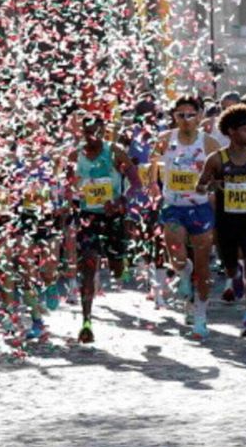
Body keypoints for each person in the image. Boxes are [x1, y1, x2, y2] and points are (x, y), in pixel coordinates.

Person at [201, 104, 246, 339]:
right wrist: (213, 185)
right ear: (231, 132)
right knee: (230, 266)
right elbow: (199, 186)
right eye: (244, 130)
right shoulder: (216, 159)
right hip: (225, 221)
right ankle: (234, 274)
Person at [151, 96, 218, 339]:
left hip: (200, 207)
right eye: (181, 115)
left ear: (200, 116)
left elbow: (219, 171)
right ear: (174, 116)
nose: (186, 120)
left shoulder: (208, 143)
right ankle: (183, 271)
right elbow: (153, 164)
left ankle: (200, 318)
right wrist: (152, 185)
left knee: (203, 267)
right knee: (177, 256)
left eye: (191, 115)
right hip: (174, 205)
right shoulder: (164, 139)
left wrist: (212, 189)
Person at [71, 115, 141, 344]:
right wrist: (70, 197)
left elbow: (136, 184)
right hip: (88, 218)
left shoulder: (115, 152)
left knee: (116, 267)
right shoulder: (75, 155)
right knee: (88, 268)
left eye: (97, 131)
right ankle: (86, 322)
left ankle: (122, 262)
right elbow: (66, 186)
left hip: (114, 218)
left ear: (104, 132)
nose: (92, 136)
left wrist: (122, 201)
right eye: (87, 131)